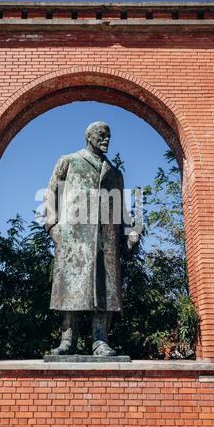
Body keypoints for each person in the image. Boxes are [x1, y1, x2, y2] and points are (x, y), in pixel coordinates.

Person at [44, 121, 139, 356]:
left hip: (106, 238)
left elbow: (122, 208)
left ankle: (100, 340)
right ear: (89, 137)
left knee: (104, 289)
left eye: (109, 136)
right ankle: (67, 340)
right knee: (70, 289)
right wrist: (53, 227)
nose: (106, 139)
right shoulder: (69, 161)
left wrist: (129, 233)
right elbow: (51, 194)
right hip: (73, 236)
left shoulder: (114, 172)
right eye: (101, 135)